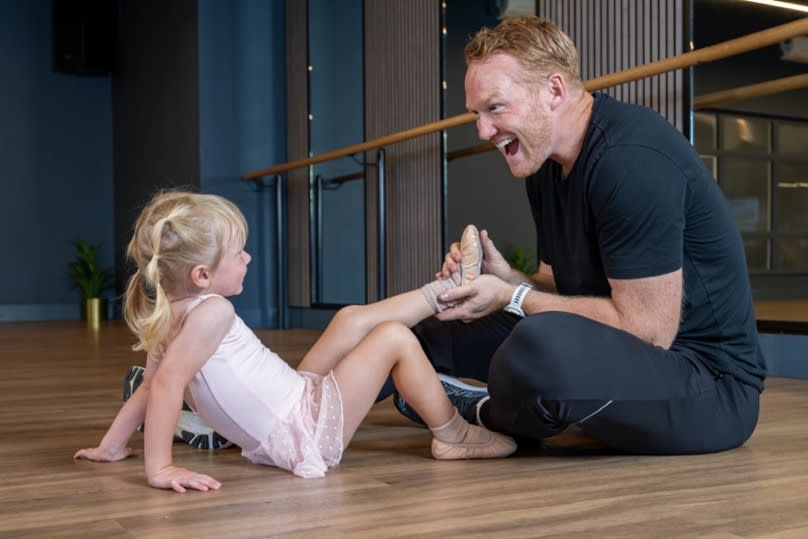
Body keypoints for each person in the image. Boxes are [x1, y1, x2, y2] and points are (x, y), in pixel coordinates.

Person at [394, 16, 766, 455]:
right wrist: (510, 279)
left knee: (538, 348)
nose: (483, 131)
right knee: (436, 325)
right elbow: (559, 287)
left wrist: (511, 298)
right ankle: (314, 413)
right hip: (619, 353)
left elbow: (647, 331)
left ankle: (471, 413)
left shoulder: (630, 160)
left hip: (708, 386)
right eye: (476, 114)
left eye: (495, 108)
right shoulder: (544, 163)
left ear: (553, 90)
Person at [74, 190, 516, 492]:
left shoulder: (173, 318)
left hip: (294, 403)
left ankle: (445, 290)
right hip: (304, 431)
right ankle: (453, 434)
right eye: (239, 253)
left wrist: (112, 445)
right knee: (394, 339)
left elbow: (150, 387)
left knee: (347, 320)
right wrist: (160, 468)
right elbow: (166, 387)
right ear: (202, 276)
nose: (248, 258)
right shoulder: (213, 312)